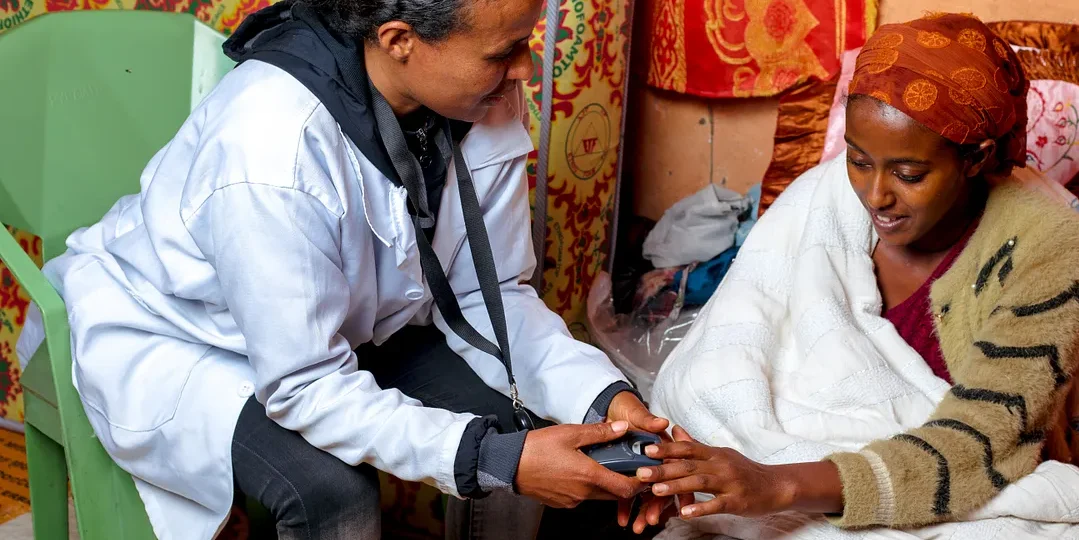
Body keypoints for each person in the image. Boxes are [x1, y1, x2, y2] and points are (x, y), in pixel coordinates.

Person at [35, 0, 671, 537]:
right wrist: (494, 460)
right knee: (331, 492)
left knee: (518, 424)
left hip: (345, 318)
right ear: (399, 41)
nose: (524, 69)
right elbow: (304, 383)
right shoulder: (270, 144)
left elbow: (491, 291)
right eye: (502, 52)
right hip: (181, 333)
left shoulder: (477, 95)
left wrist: (604, 400)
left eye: (524, 43)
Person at [635, 14, 1079, 536]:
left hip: (905, 478)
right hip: (777, 473)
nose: (875, 195)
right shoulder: (823, 197)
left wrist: (778, 485)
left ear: (976, 158)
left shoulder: (1045, 250)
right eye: (859, 159)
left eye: (909, 174)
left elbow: (985, 444)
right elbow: (722, 359)